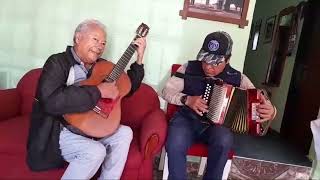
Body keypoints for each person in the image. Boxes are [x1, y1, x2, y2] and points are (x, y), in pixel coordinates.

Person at [26, 19, 147, 179]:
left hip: (93, 127)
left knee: (125, 133)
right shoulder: (58, 62)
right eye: (95, 39)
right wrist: (97, 91)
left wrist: (139, 60)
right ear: (78, 38)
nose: (100, 46)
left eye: (103, 43)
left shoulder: (103, 67)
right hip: (61, 129)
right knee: (96, 151)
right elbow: (51, 101)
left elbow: (127, 88)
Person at [161, 31, 277, 180]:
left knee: (224, 140)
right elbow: (166, 91)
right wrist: (187, 99)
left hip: (215, 128)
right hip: (186, 121)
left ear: (228, 59)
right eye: (205, 60)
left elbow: (260, 100)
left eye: (215, 62)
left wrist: (272, 111)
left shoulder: (238, 78)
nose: (208, 67)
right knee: (175, 143)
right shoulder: (187, 68)